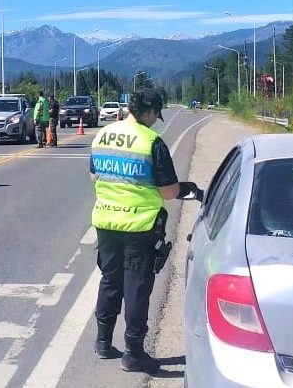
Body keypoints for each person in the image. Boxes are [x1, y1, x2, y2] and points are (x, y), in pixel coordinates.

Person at [89, 88, 203, 373]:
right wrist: (186, 190)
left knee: (110, 280)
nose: (156, 120)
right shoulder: (152, 142)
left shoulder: (104, 134)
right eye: (156, 115)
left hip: (105, 222)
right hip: (139, 226)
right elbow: (167, 192)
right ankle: (134, 352)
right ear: (149, 111)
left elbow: (94, 175)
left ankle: (103, 342)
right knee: (137, 288)